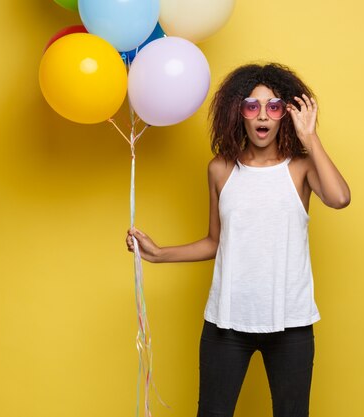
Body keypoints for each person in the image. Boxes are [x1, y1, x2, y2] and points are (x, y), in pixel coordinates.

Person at [126, 62, 351, 417]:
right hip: (226, 322)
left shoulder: (301, 168)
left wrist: (311, 139)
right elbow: (216, 242)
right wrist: (159, 254)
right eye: (252, 105)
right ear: (238, 113)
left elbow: (340, 198)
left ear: (285, 114)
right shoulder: (220, 169)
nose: (263, 115)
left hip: (290, 323)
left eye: (274, 106)